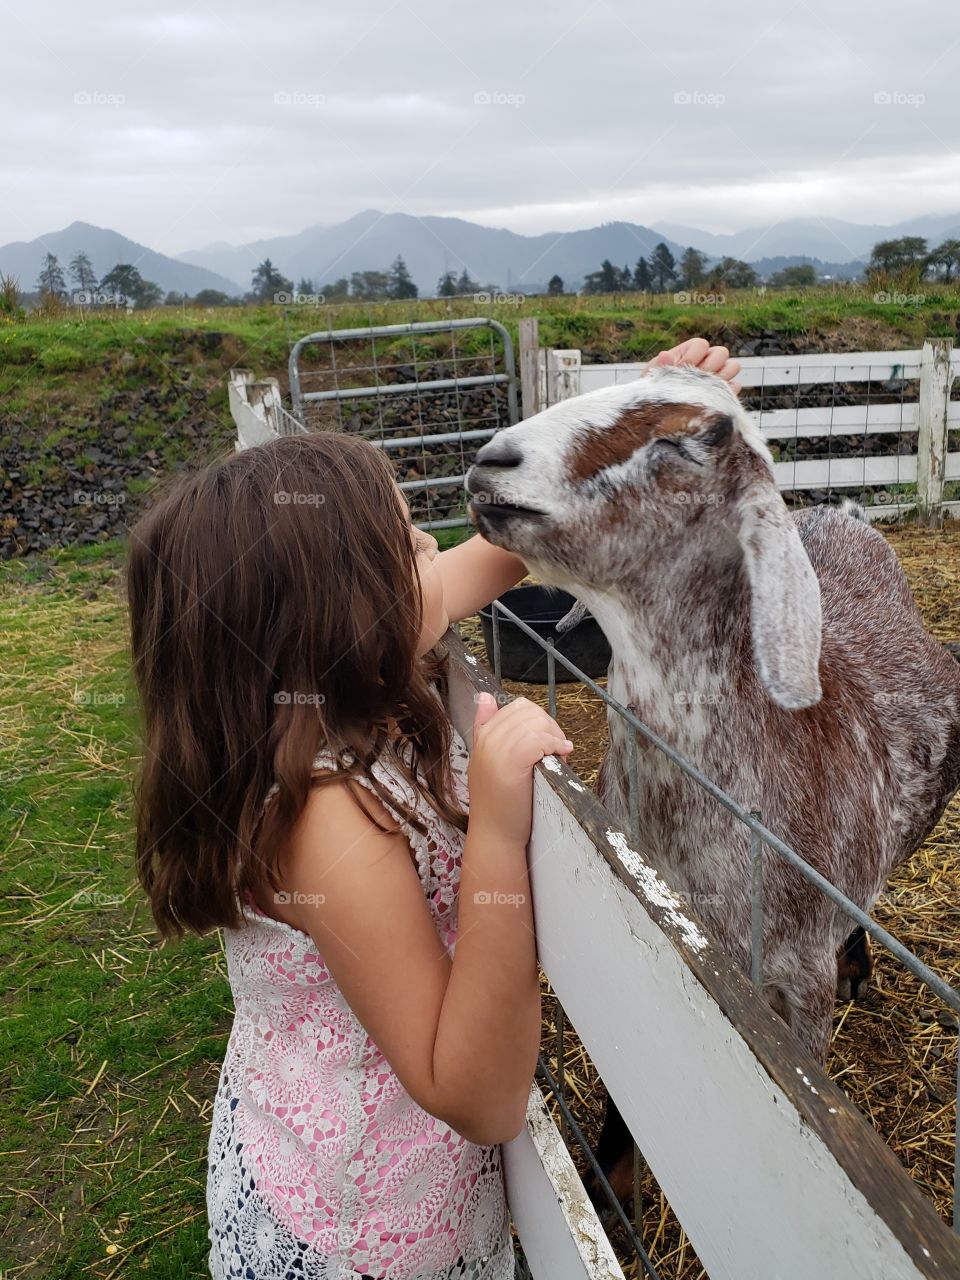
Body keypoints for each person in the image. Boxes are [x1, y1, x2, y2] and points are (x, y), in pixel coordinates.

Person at [126, 337, 740, 1279]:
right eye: (406, 544)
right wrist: (496, 830)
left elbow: (496, 556)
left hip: (338, 1158)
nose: (433, 553)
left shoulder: (323, 694)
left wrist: (634, 427)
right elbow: (480, 1096)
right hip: (369, 1232)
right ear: (339, 616)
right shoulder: (326, 825)